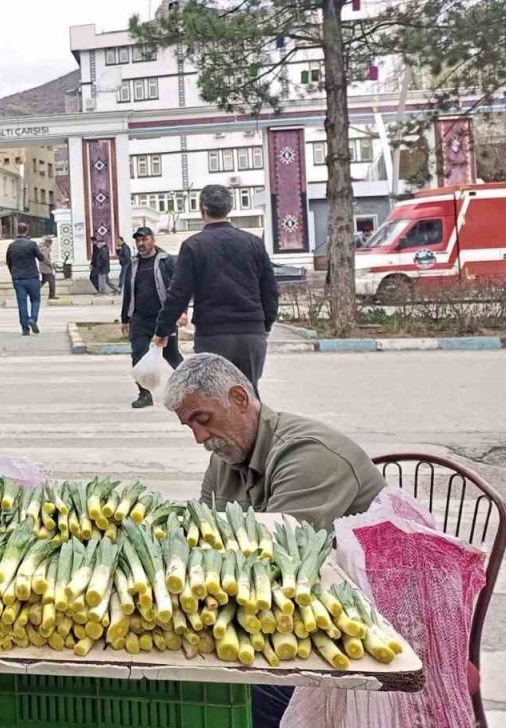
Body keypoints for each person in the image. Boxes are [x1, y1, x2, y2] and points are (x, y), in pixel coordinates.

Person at [163, 352, 386, 728]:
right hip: (288, 604)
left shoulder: (309, 455)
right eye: (190, 426)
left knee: (238, 685)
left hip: (360, 616)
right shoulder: (226, 455)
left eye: (202, 420)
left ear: (238, 398)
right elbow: (201, 536)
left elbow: (271, 559)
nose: (199, 437)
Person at [151, 184, 279, 394]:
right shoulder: (254, 243)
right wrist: (265, 325)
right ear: (229, 208)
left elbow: (178, 294)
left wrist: (162, 331)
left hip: (213, 335)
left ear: (203, 208)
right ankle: (256, 428)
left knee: (217, 400)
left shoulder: (193, 246)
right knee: (248, 397)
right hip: (251, 334)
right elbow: (270, 290)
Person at [120, 226, 184, 408]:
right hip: (139, 319)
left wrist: (181, 312)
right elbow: (128, 292)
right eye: (138, 241)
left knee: (172, 356)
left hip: (164, 319)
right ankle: (144, 394)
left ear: (153, 240)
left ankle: (193, 388)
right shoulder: (133, 265)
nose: (141, 244)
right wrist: (125, 318)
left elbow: (179, 289)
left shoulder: (166, 262)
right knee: (138, 356)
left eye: (144, 239)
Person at [5, 222, 48, 335]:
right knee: (35, 300)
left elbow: (8, 262)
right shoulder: (31, 244)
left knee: (22, 303)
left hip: (18, 278)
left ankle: (25, 329)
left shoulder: (12, 246)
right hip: (32, 277)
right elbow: (41, 258)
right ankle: (32, 319)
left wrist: (13, 274)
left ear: (17, 231)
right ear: (26, 231)